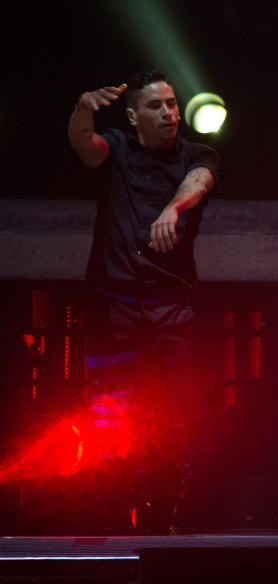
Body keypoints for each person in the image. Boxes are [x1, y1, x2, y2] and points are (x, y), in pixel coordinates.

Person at [67, 69, 219, 533]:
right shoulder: (116, 147)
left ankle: (162, 516)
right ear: (133, 116)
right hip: (113, 305)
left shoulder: (199, 153)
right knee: (110, 412)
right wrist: (82, 109)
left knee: (169, 415)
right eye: (156, 106)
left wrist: (173, 207)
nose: (169, 113)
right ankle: (110, 511)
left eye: (172, 104)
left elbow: (200, 180)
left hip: (170, 308)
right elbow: (83, 146)